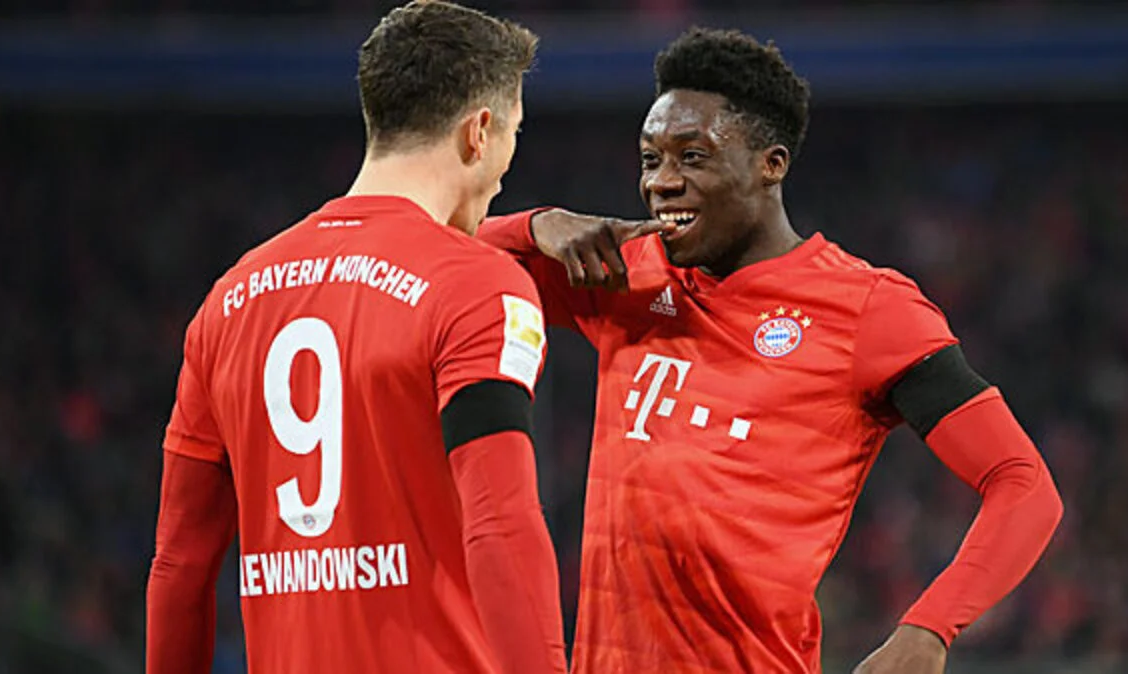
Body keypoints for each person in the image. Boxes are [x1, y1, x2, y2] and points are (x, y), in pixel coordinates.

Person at [479, 27, 1063, 674]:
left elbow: (1023, 484)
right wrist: (536, 224)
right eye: (650, 159)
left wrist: (929, 630)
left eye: (692, 157)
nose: (662, 182)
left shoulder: (869, 309)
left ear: (771, 164)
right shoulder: (626, 275)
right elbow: (436, 253)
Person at [145, 3, 567, 673]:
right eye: (515, 133)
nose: (508, 167)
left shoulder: (229, 300)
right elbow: (501, 525)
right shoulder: (477, 285)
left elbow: (181, 564)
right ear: (479, 132)